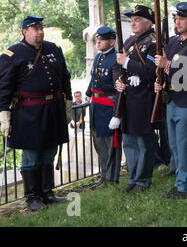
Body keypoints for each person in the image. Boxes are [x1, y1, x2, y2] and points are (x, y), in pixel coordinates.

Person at [0, 15, 71, 211]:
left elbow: (65, 78)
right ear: (25, 32)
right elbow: (4, 88)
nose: (40, 31)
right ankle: (32, 197)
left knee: (49, 151)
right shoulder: (12, 54)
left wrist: (68, 103)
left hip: (53, 109)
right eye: (35, 28)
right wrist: (4, 116)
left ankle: (47, 193)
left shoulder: (53, 49)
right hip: (28, 112)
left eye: (41, 28)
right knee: (31, 155)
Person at [154, 2, 187, 200]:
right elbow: (167, 72)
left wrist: (167, 65)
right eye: (176, 18)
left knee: (184, 146)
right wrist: (162, 84)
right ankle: (179, 183)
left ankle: (184, 186)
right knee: (174, 145)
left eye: (181, 18)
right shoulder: (174, 42)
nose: (177, 22)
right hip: (173, 99)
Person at [112, 5, 157, 194]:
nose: (133, 23)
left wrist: (128, 63)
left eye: (137, 19)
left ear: (148, 22)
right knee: (129, 140)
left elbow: (152, 71)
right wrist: (117, 82)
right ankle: (133, 178)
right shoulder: (130, 41)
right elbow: (116, 66)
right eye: (132, 20)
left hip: (144, 97)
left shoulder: (154, 42)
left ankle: (143, 180)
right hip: (128, 97)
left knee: (143, 142)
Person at [85, 26, 122, 190]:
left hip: (108, 107)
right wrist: (88, 93)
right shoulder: (99, 57)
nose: (97, 41)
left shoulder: (116, 59)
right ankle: (104, 175)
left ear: (112, 41)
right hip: (96, 106)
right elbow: (94, 78)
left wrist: (117, 114)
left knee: (110, 144)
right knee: (99, 144)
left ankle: (111, 178)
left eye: (101, 39)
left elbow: (119, 88)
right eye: (97, 39)